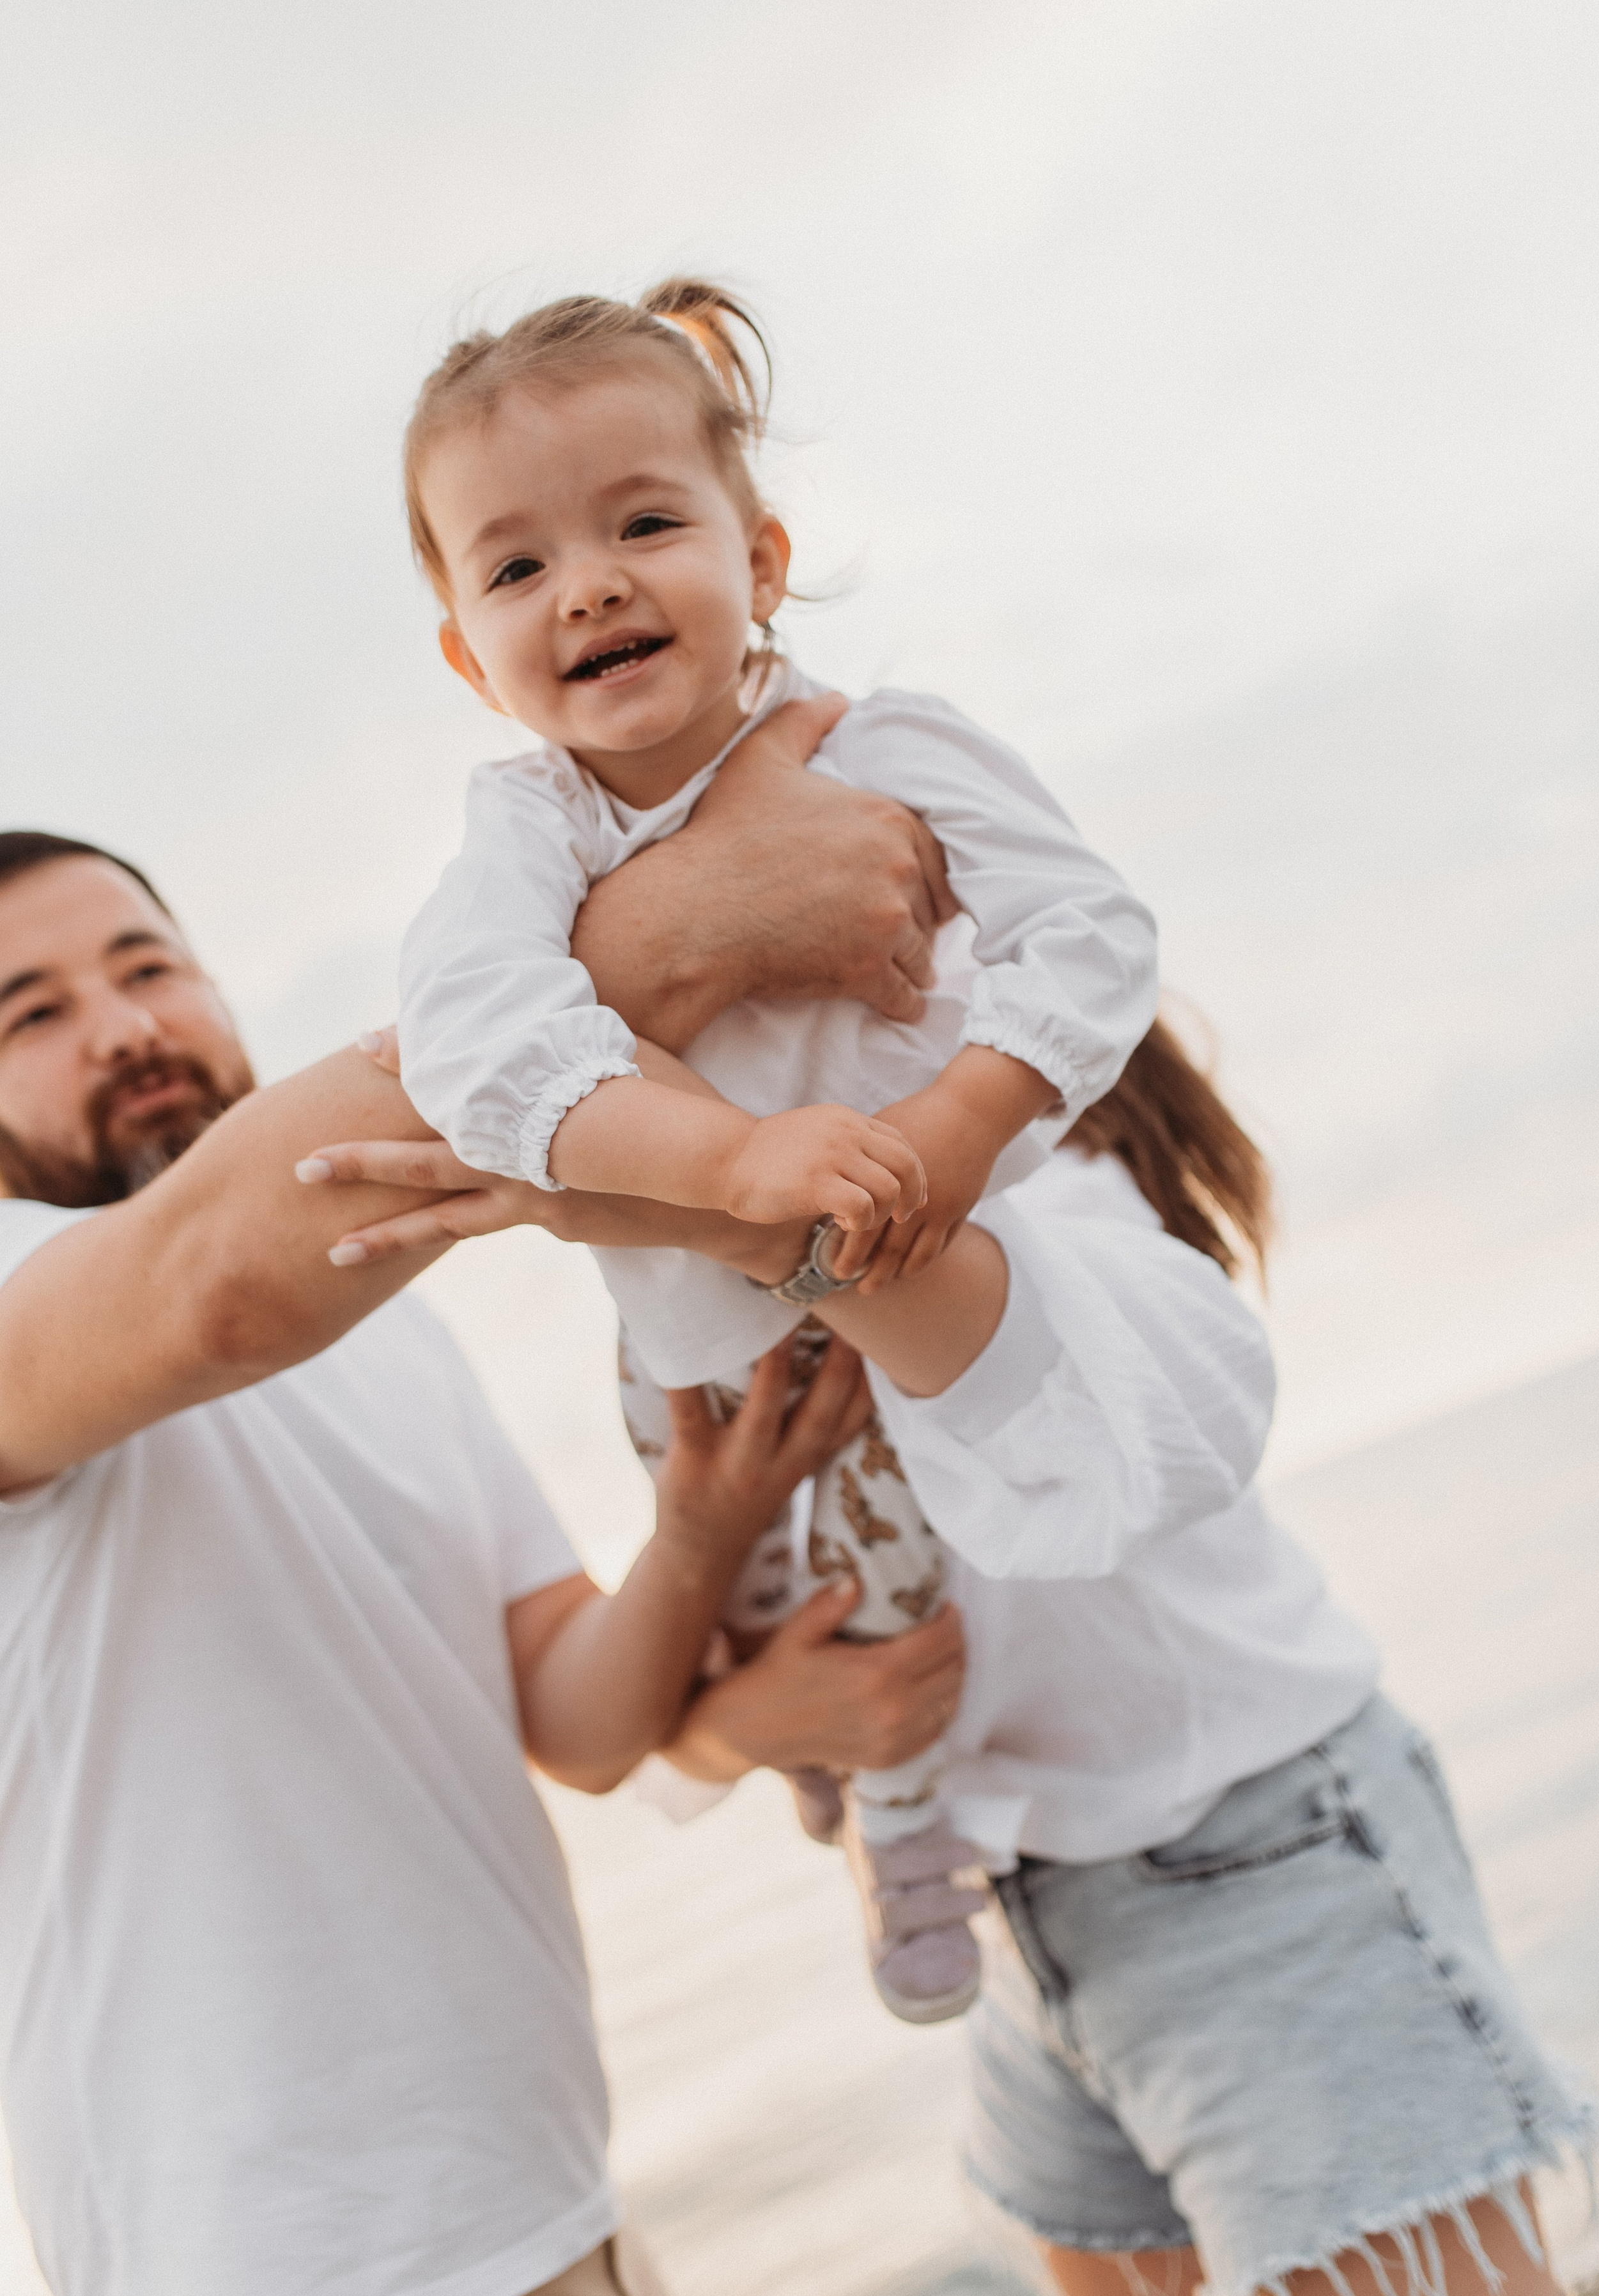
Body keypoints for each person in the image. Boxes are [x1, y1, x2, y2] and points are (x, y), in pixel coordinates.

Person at [317, 1011, 1599, 2296]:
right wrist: (753, 1706)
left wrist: (682, 1187)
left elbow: (1014, 1358)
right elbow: (677, 1719)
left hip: (1258, 1868)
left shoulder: (1039, 1174)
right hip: (1024, 1927)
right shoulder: (721, 1305)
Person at [0, 757, 968, 2296]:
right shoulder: (46, 1306)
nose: (122, 1025)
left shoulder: (384, 1320)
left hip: (556, 2227)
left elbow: (574, 1719)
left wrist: (697, 1527)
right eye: (31, 1010)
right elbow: (211, 1279)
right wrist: (679, 928)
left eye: (147, 964)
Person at [389, 276, 1160, 2018]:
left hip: (901, 1280)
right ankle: (821, 1770)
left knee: (898, 1592)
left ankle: (903, 1829)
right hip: (686, 1339)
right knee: (735, 1598)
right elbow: (474, 1039)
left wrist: (961, 1122)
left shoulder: (883, 747)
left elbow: (1093, 930)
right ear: (466, 651)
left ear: (763, 553)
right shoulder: (524, 834)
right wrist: (732, 1165)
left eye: (644, 522)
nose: (585, 582)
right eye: (513, 569)